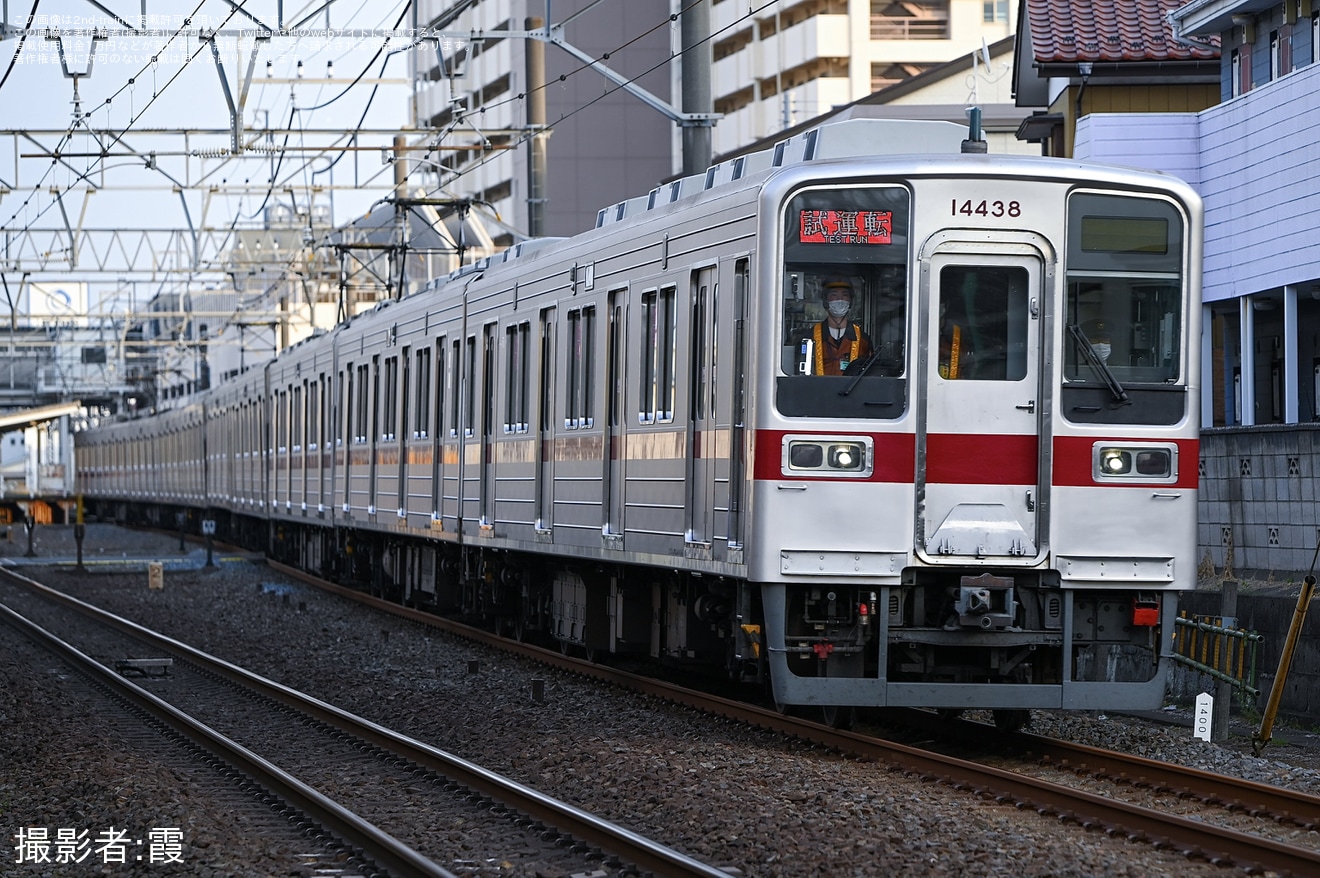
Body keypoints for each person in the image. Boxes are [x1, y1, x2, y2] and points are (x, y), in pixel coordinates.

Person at [810, 279, 872, 375]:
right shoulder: (810, 337)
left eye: (844, 295)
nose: (840, 299)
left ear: (850, 302)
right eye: (834, 294)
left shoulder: (863, 340)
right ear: (825, 301)